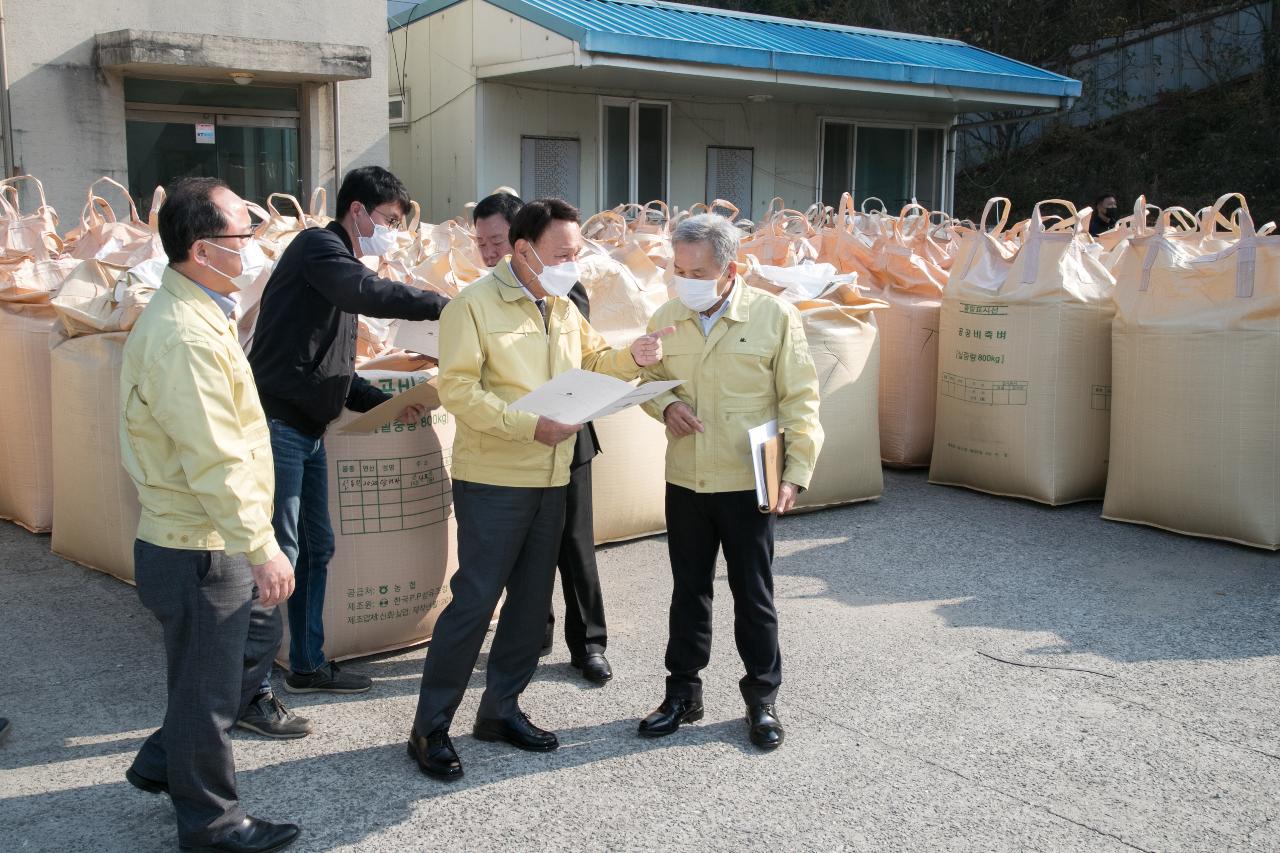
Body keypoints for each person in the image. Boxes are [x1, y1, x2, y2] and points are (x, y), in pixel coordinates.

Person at [408, 198, 670, 781]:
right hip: (496, 479)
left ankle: (500, 710)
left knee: (530, 606)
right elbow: (458, 391)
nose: (573, 264)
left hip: (552, 477)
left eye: (576, 253)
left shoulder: (557, 304)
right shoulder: (472, 307)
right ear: (524, 250)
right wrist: (531, 426)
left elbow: (594, 357)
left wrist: (635, 355)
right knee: (476, 603)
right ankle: (429, 728)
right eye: (563, 254)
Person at [120, 177, 301, 852]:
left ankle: (164, 760)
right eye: (241, 236)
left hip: (210, 533)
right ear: (202, 249)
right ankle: (213, 825)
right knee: (207, 692)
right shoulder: (184, 335)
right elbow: (214, 455)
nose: (252, 247)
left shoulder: (200, 311)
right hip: (198, 540)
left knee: (247, 644)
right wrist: (261, 545)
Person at [247, 167, 448, 697]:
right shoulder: (320, 249)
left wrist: (385, 404)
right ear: (357, 211)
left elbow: (332, 365)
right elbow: (366, 291)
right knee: (279, 555)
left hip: (307, 430)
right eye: (386, 220)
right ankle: (248, 687)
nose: (391, 232)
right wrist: (444, 305)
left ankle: (307, 665)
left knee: (315, 549)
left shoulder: (333, 270)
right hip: (280, 426)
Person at [636, 213, 823, 751]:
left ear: (730, 268)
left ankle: (761, 698)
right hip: (687, 478)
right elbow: (648, 379)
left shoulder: (773, 316)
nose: (683, 280)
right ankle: (682, 693)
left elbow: (800, 399)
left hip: (750, 479)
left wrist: (796, 472)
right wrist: (666, 405)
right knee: (688, 591)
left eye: (696, 271)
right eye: (677, 268)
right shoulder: (667, 315)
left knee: (753, 594)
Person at [473, 191, 613, 684]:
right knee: (526, 553)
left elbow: (588, 360)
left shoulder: (562, 289)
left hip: (567, 437)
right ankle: (534, 633)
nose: (490, 252)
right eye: (482, 243)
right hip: (517, 442)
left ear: (522, 242)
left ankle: (589, 643)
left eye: (497, 240)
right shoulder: (483, 296)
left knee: (573, 546)